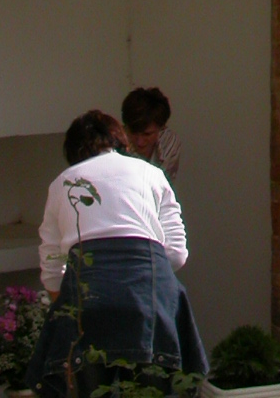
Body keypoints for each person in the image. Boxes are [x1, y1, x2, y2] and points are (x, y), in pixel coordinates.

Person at [24, 110, 206, 398]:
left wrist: (66, 304)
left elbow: (51, 266)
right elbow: (176, 254)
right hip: (150, 301)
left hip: (90, 302)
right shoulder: (151, 173)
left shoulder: (63, 183)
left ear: (73, 150)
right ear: (119, 141)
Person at [122, 86, 182, 179]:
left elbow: (162, 185)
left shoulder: (169, 142)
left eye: (147, 134)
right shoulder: (115, 144)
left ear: (161, 128)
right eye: (133, 133)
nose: (140, 142)